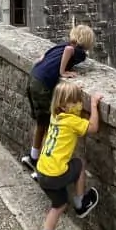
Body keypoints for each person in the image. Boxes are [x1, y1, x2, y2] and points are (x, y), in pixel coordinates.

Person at [34, 82, 103, 230]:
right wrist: (94, 105)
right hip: (55, 174)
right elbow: (93, 127)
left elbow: (70, 108)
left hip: (42, 172)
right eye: (75, 101)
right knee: (78, 164)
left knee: (58, 205)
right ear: (64, 105)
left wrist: (74, 92)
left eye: (79, 99)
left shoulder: (55, 117)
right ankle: (81, 204)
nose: (79, 103)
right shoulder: (72, 121)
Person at [21, 24, 95, 173]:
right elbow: (69, 51)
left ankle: (33, 157)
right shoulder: (79, 52)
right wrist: (62, 71)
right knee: (51, 126)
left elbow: (43, 56)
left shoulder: (62, 44)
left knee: (42, 123)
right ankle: (41, 168)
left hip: (34, 77)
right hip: (43, 85)